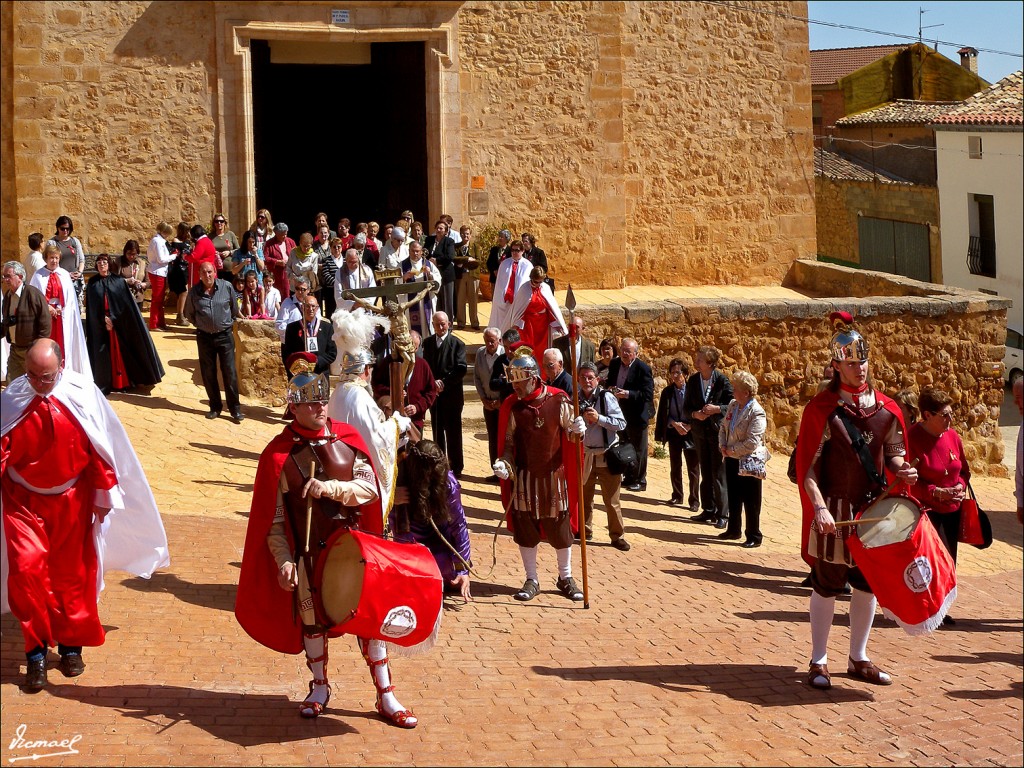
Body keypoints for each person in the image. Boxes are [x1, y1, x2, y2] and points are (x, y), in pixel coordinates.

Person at [235, 354, 419, 727]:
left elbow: (370, 489)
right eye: (312, 403)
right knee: (313, 622)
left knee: (368, 620)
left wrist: (332, 488)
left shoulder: (347, 440)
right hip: (307, 555)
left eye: (323, 400)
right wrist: (284, 561)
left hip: (353, 549)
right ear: (295, 408)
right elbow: (274, 524)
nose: (321, 407)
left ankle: (386, 695)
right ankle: (319, 686)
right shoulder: (278, 456)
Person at [1, 339, 169, 691]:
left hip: (72, 501)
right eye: (31, 374)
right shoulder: (13, 397)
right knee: (28, 572)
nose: (36, 383)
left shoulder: (81, 394)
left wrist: (103, 493)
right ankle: (35, 653)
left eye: (45, 376)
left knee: (72, 576)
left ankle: (71, 646)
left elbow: (101, 447)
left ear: (60, 369)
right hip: (22, 502)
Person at [795, 312, 917, 691]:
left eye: (863, 361)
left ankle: (858, 658)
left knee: (866, 586)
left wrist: (904, 471)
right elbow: (808, 470)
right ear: (836, 366)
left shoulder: (887, 410)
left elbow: (895, 454)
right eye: (851, 363)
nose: (859, 369)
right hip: (835, 512)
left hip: (872, 514)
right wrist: (818, 507)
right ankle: (818, 661)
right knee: (827, 584)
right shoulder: (822, 410)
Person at [493, 354, 587, 601]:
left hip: (554, 478)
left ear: (533, 378)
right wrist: (504, 463)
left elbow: (571, 436)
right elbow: (509, 445)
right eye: (512, 380)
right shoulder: (513, 406)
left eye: (518, 381)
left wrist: (578, 430)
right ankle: (531, 578)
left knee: (561, 529)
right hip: (524, 478)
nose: (514, 386)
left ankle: (565, 577)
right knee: (526, 528)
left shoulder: (559, 400)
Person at [328, 309, 414, 515]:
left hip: (339, 466)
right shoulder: (359, 397)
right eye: (371, 369)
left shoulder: (338, 392)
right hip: (358, 474)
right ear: (365, 370)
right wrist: (396, 423)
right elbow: (375, 437)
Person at [908, 388, 969, 625]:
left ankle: (941, 608)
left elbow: (964, 470)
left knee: (948, 560)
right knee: (928, 561)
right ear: (927, 415)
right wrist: (936, 492)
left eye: (951, 414)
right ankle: (926, 609)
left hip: (952, 510)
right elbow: (909, 481)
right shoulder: (913, 439)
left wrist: (960, 487)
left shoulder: (953, 436)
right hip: (926, 512)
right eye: (944, 415)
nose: (949, 420)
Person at [391, 439, 472, 600]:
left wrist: (462, 568)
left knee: (448, 577)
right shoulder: (399, 475)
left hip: (441, 538)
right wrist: (391, 496)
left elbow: (459, 525)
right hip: (410, 537)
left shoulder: (449, 484)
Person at [84, 254, 164, 395]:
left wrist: (114, 320)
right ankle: (106, 382)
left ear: (109, 264)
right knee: (103, 354)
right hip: (100, 325)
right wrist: (103, 319)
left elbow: (125, 306)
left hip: (118, 326)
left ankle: (122, 383)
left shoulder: (119, 282)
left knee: (120, 354)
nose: (102, 264)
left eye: (104, 261)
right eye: (99, 262)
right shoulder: (92, 283)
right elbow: (90, 307)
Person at [578, 361, 629, 549]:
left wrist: (599, 419)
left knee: (612, 500)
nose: (586, 381)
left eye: (590, 377)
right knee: (584, 498)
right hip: (586, 455)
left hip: (607, 455)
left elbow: (621, 423)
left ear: (597, 379)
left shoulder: (606, 397)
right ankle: (584, 530)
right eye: (583, 377)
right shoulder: (575, 398)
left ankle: (617, 536)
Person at [184, 261, 243, 423]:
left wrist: (225, 323)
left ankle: (235, 409)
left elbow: (233, 309)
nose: (207, 275)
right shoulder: (194, 292)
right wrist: (203, 325)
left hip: (224, 336)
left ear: (215, 272)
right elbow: (189, 314)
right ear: (199, 275)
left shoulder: (226, 287)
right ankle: (215, 407)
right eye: (204, 273)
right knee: (208, 373)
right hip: (204, 337)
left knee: (229, 372)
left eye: (210, 272)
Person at [683, 345, 733, 528]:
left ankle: (723, 514)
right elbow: (686, 407)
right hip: (699, 432)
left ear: (710, 363)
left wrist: (717, 409)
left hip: (716, 433)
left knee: (719, 473)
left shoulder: (722, 380)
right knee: (705, 471)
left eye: (700, 360)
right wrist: (695, 415)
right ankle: (708, 509)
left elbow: (733, 405)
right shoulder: (694, 380)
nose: (696, 362)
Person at [718, 370, 768, 548]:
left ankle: (754, 534)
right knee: (734, 495)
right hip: (731, 458)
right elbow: (724, 427)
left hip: (748, 461)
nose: (733, 392)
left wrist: (732, 450)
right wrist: (723, 446)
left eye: (736, 389)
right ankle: (734, 529)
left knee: (751, 499)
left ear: (746, 392)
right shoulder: (733, 405)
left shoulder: (757, 412)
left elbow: (752, 442)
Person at [29, 244, 92, 380]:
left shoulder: (63, 274)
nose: (54, 261)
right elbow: (34, 297)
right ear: (46, 258)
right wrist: (47, 307)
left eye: (57, 258)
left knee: (63, 343)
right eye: (51, 258)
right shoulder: (38, 275)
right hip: (45, 317)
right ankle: (47, 370)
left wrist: (61, 308)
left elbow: (70, 299)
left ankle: (62, 369)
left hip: (62, 316)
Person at [606, 338, 655, 492]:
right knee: (624, 445)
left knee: (639, 448)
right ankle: (628, 477)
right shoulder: (614, 364)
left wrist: (626, 394)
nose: (625, 354)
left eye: (628, 351)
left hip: (637, 414)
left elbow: (647, 394)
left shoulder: (643, 368)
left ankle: (640, 480)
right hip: (619, 412)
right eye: (623, 350)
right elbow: (610, 381)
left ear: (636, 353)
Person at [421, 311, 467, 477]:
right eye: (437, 324)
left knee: (454, 433)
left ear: (449, 324)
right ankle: (439, 464)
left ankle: (456, 467)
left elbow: (461, 369)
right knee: (437, 431)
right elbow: (425, 366)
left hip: (452, 396)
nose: (440, 327)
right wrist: (432, 384)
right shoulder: (427, 343)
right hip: (435, 397)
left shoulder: (458, 344)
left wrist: (444, 383)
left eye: (443, 324)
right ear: (433, 325)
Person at [654, 358, 700, 510]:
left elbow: (699, 413)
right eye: (672, 373)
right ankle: (677, 495)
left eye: (678, 372)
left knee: (693, 468)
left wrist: (689, 426)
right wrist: (674, 424)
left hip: (691, 433)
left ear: (685, 374)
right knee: (675, 465)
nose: (674, 376)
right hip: (674, 432)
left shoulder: (694, 391)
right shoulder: (668, 392)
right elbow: (663, 414)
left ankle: (694, 500)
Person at [371, 330, 436, 433]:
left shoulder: (422, 365)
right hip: (391, 420)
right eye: (410, 346)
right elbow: (377, 386)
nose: (412, 350)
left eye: (415, 347)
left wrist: (417, 407)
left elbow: (431, 391)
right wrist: (393, 392)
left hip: (415, 421)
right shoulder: (389, 362)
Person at [2, 261, 51, 383]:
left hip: (30, 350)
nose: (5, 279)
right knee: (12, 386)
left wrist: (38, 347)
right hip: (15, 350)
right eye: (4, 276)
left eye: (8, 276)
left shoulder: (33, 294)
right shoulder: (8, 296)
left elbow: (45, 324)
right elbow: (5, 323)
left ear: (20, 277)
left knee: (34, 386)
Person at [509, 266, 567, 359]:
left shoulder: (545, 288)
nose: (538, 284)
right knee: (529, 350)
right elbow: (519, 311)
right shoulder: (524, 289)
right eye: (536, 281)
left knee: (542, 351)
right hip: (528, 326)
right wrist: (515, 325)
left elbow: (551, 309)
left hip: (543, 326)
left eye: (541, 281)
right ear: (531, 278)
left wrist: (558, 324)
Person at [282, 294, 336, 378]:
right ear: (302, 307)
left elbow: (332, 353)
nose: (310, 309)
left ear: (317, 308)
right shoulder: (292, 328)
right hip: (300, 375)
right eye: (307, 306)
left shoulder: (327, 327)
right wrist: (300, 364)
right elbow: (287, 353)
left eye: (313, 306)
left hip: (320, 375)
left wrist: (316, 362)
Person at [474, 326, 505, 467]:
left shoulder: (505, 355)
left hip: (502, 404)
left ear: (499, 340)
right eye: (486, 341)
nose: (489, 344)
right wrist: (482, 398)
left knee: (504, 438)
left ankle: (505, 469)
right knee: (492, 438)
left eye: (492, 341)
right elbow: (476, 377)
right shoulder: (480, 353)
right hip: (487, 403)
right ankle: (495, 468)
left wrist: (500, 401)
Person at [488, 240, 532, 332]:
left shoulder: (527, 266)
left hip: (518, 302)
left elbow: (527, 285)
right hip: (504, 302)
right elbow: (500, 284)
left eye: (517, 250)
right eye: (513, 250)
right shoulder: (504, 264)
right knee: (501, 323)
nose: (515, 253)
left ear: (523, 251)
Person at [401, 241, 441, 338]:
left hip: (426, 302)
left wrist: (430, 274)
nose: (415, 254)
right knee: (412, 328)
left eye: (418, 251)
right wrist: (403, 278)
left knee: (427, 327)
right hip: (410, 302)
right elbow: (395, 282)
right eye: (413, 251)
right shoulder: (402, 265)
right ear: (409, 251)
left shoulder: (428, 264)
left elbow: (438, 280)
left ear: (421, 251)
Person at [47, 216, 85, 305]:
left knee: (76, 307)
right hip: (60, 279)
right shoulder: (52, 243)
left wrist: (79, 272)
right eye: (62, 228)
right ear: (57, 228)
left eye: (68, 229)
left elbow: (82, 260)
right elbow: (50, 262)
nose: (65, 231)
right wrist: (66, 274)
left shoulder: (74, 241)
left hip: (75, 280)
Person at [146, 222, 175, 331]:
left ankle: (160, 323)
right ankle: (154, 324)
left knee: (159, 300)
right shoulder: (158, 242)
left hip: (159, 271)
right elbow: (161, 259)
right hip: (157, 272)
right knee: (157, 299)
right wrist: (173, 256)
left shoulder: (157, 240)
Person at [424, 220, 456, 318]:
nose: (438, 230)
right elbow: (424, 252)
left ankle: (448, 324)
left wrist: (437, 260)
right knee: (435, 300)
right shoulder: (429, 240)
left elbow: (450, 256)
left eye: (441, 228)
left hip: (445, 274)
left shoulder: (449, 241)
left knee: (447, 301)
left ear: (446, 231)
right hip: (432, 274)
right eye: (437, 228)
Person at [453, 224, 482, 330]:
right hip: (460, 275)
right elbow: (454, 258)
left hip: (473, 275)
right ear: (460, 234)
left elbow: (478, 261)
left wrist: (463, 262)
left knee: (473, 299)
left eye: (467, 234)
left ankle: (474, 322)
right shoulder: (456, 246)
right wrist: (467, 259)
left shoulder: (475, 246)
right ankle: (461, 322)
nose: (465, 236)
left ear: (470, 235)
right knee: (460, 299)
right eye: (463, 234)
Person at [335, 245, 376, 312]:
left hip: (364, 308)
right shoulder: (339, 273)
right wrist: (353, 305)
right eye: (350, 262)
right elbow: (338, 294)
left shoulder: (367, 271)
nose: (353, 264)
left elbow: (373, 290)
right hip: (347, 311)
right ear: (346, 260)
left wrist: (363, 303)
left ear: (358, 259)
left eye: (355, 262)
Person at [168, 222, 193, 326]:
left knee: (184, 292)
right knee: (183, 291)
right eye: (186, 230)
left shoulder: (188, 241)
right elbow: (176, 255)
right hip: (178, 270)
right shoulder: (176, 241)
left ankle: (182, 314)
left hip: (186, 269)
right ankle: (180, 315)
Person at [115, 240, 150, 313]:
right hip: (122, 297)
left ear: (138, 253)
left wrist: (142, 284)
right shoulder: (118, 262)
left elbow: (148, 282)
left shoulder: (142, 263)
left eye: (134, 254)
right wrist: (126, 281)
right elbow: (112, 280)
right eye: (129, 254)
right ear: (125, 252)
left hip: (137, 297)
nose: (131, 256)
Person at [264, 222, 295, 298]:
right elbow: (265, 258)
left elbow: (296, 254)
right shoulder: (269, 244)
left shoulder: (290, 241)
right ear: (276, 233)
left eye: (285, 234)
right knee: (280, 294)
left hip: (290, 271)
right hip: (277, 274)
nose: (284, 236)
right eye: (282, 235)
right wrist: (277, 262)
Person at [288, 232, 320, 306]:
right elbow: (288, 268)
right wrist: (292, 276)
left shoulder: (314, 256)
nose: (306, 249)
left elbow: (314, 274)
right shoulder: (293, 253)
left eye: (308, 246)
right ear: (300, 243)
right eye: (304, 246)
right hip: (294, 287)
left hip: (306, 289)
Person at [275, 277, 310, 342]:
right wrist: (293, 333)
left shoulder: (313, 303)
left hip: (308, 341)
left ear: (308, 290)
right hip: (291, 342)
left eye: (303, 289)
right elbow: (279, 324)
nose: (299, 292)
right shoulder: (287, 302)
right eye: (297, 289)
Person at [314, 224, 337, 317]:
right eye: (321, 232)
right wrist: (319, 266)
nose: (324, 234)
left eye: (325, 232)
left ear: (328, 233)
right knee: (318, 304)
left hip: (330, 281)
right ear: (318, 233)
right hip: (318, 281)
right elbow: (310, 261)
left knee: (330, 306)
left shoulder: (332, 245)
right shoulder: (313, 246)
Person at [210, 213, 240, 281]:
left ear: (225, 223)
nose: (219, 223)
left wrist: (229, 252)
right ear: (214, 223)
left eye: (221, 221)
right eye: (216, 221)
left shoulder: (230, 234)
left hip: (230, 269)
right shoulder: (210, 236)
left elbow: (238, 250)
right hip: (216, 269)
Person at [486, 228, 512, 298]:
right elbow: (489, 262)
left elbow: (512, 265)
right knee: (494, 298)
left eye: (502, 237)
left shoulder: (510, 251)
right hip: (495, 279)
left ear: (507, 239)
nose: (500, 238)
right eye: (499, 236)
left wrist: (503, 272)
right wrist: (494, 270)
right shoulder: (494, 249)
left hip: (505, 280)